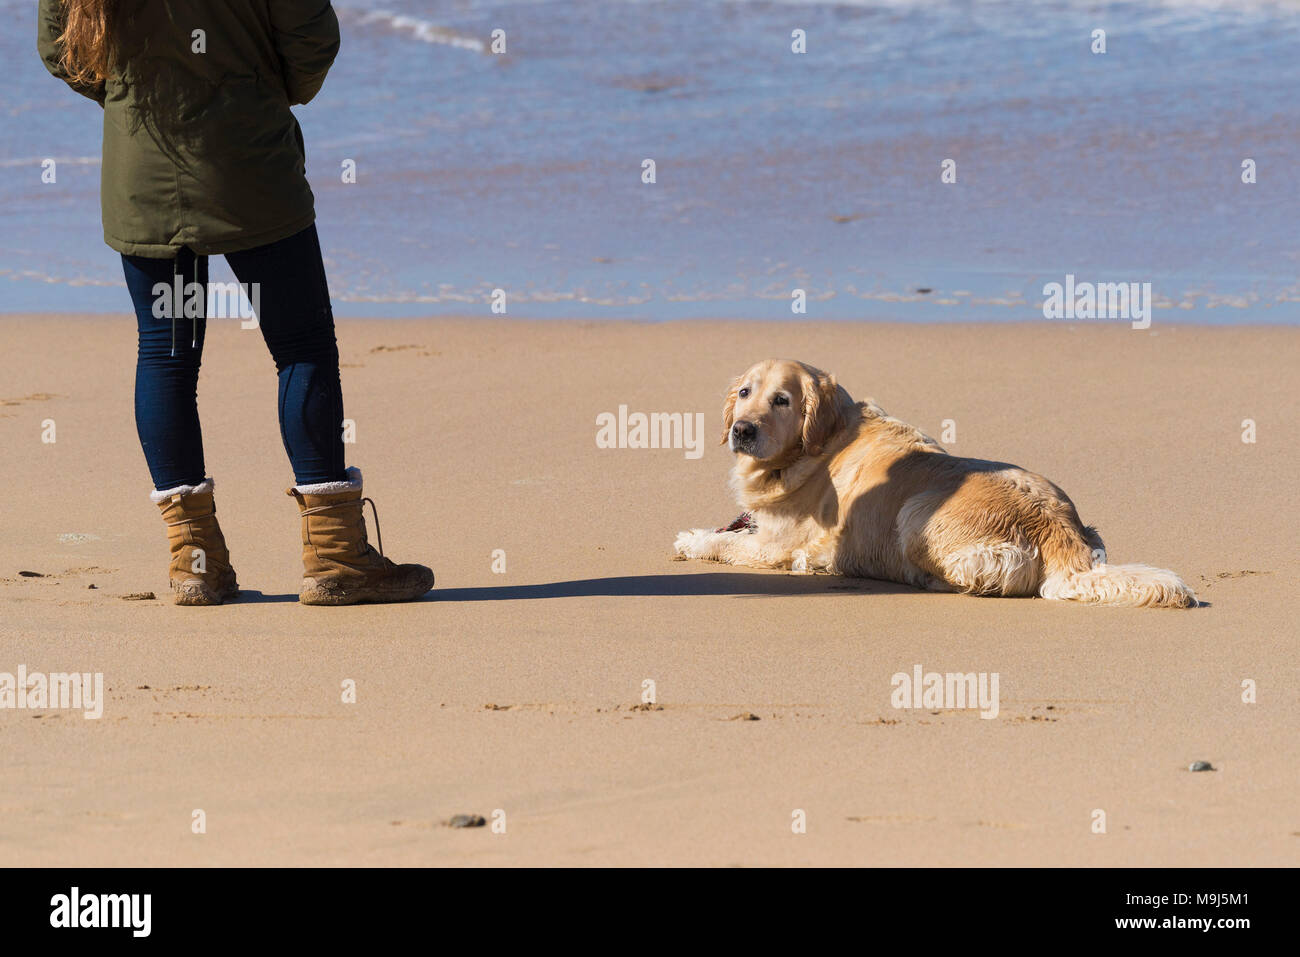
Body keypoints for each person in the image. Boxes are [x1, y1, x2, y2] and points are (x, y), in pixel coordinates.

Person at [37, 0, 433, 606]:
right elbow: (311, 38)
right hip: (249, 163)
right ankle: (334, 553)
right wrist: (263, 89)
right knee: (300, 346)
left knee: (166, 355)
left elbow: (61, 49)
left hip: (141, 166)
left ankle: (194, 563)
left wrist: (132, 97)